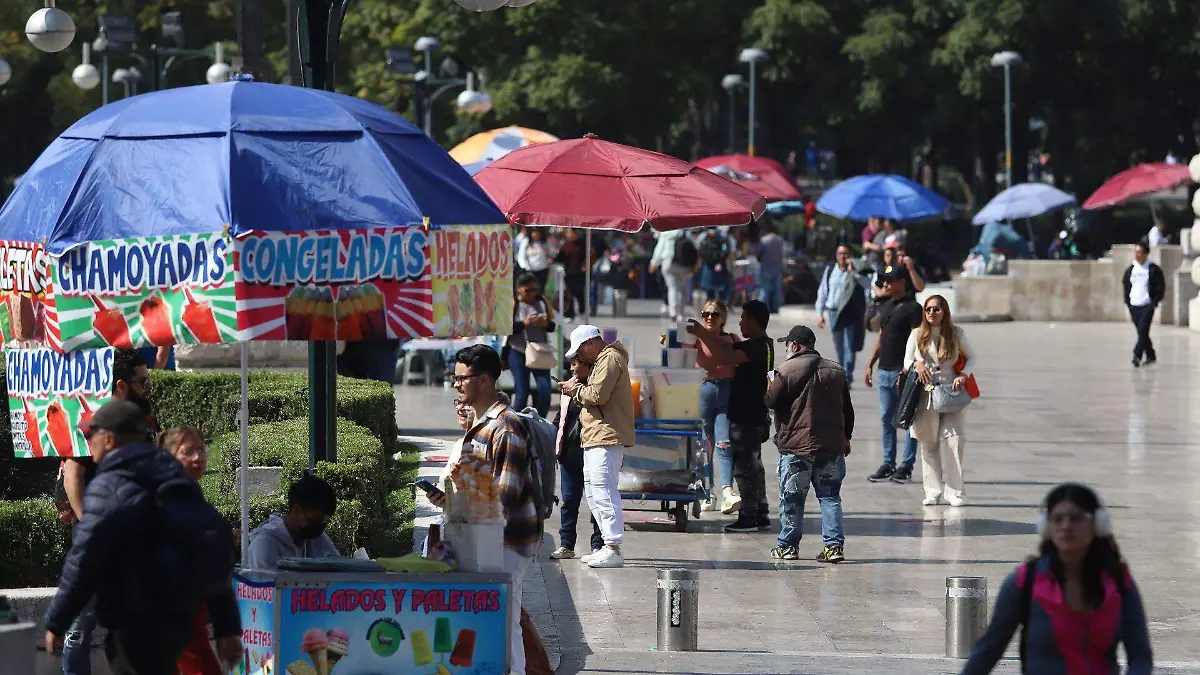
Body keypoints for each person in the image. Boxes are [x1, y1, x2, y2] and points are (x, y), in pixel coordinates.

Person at [45, 401, 241, 675]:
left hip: (133, 623)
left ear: (109, 440)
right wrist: (226, 625)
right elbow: (212, 546)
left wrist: (56, 620)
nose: (88, 442)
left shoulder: (109, 485)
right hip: (178, 622)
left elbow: (85, 557)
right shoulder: (176, 478)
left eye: (91, 435)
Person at [960, 484, 1153, 675]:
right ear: (1047, 527)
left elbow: (1140, 656)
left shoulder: (1118, 582)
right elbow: (989, 650)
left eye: (1076, 518)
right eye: (1058, 519)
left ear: (1097, 524)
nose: (1066, 526)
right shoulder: (1025, 582)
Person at [56, 348, 158, 675]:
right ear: (121, 386)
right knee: (79, 626)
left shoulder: (144, 423)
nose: (148, 389)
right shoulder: (95, 425)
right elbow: (73, 476)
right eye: (143, 383)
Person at [453, 343, 538, 674]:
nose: (457, 384)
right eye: (455, 377)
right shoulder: (480, 422)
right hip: (485, 537)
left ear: (484, 379)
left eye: (463, 378)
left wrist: (468, 511)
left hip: (507, 541)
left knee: (505, 617)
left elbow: (505, 497)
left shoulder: (506, 428)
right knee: (496, 617)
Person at [765, 325, 852, 563]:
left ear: (794, 345)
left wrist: (769, 384)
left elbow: (770, 401)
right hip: (831, 446)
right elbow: (847, 409)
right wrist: (846, 438)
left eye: (787, 345)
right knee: (830, 496)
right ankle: (833, 547)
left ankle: (787, 547)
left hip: (796, 448)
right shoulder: (836, 371)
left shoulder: (784, 371)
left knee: (792, 498)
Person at [160, 427, 243, 675]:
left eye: (201, 449)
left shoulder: (191, 499)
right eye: (188, 452)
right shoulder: (162, 499)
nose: (198, 457)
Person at [687, 300, 774, 533]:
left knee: (744, 467)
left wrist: (702, 334)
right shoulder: (761, 345)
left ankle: (748, 515)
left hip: (747, 415)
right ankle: (761, 511)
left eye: (744, 319)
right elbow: (725, 349)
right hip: (755, 414)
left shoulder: (756, 347)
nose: (740, 323)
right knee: (754, 465)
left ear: (754, 321)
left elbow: (724, 356)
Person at [560, 325, 634, 568]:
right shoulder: (602, 360)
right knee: (593, 491)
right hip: (594, 435)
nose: (579, 357)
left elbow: (597, 395)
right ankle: (606, 544)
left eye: (580, 351)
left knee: (604, 490)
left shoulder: (610, 359)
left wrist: (575, 389)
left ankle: (613, 546)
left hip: (606, 435)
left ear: (591, 343)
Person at [905, 294, 975, 506]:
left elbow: (972, 357)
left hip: (951, 392)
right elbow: (907, 360)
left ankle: (954, 492)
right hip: (926, 395)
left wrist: (964, 375)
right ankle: (932, 491)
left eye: (936, 309)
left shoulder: (956, 333)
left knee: (955, 441)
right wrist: (917, 364)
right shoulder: (917, 334)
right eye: (928, 309)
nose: (931, 313)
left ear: (944, 311)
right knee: (929, 443)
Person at [864, 267, 922, 483]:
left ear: (902, 282)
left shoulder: (913, 308)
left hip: (903, 371)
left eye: (890, 280)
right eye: (884, 281)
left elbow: (919, 340)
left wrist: (909, 369)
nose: (886, 284)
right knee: (886, 419)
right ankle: (888, 463)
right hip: (884, 370)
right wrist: (871, 363)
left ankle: (906, 465)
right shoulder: (887, 306)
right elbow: (881, 336)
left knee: (908, 418)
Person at [548, 357, 605, 560]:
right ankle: (566, 544)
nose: (572, 369)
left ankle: (599, 545)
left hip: (593, 452)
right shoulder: (568, 389)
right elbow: (560, 419)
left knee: (598, 501)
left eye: (576, 364)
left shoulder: (597, 391)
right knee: (569, 501)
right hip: (569, 454)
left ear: (589, 366)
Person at [686, 300, 739, 514]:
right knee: (704, 445)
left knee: (724, 443)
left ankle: (728, 491)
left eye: (715, 314)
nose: (709, 317)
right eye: (705, 313)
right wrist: (669, 340)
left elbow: (728, 354)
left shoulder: (731, 339)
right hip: (704, 391)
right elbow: (679, 354)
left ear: (723, 318)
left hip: (726, 393)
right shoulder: (695, 339)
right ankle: (708, 492)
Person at [245, 474, 341, 571]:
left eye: (322, 521)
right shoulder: (265, 545)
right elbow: (264, 580)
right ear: (297, 510)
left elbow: (339, 568)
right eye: (314, 520)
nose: (318, 526)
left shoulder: (318, 539)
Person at [815, 244, 869, 384]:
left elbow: (868, 285)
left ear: (850, 256)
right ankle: (841, 372)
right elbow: (823, 291)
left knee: (850, 345)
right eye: (840, 253)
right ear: (836, 255)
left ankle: (848, 375)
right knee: (839, 345)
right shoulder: (830, 270)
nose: (843, 257)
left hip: (850, 311)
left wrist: (854, 273)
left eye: (846, 254)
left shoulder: (856, 271)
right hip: (833, 311)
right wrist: (820, 313)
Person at [505, 273, 556, 416]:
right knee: (522, 393)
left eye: (535, 290)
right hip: (518, 351)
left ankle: (538, 421)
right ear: (519, 289)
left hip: (539, 351)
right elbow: (507, 328)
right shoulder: (513, 304)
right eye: (528, 290)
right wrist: (524, 323)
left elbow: (552, 325)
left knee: (545, 390)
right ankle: (516, 422)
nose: (533, 294)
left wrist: (545, 323)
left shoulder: (542, 302)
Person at [1123, 240, 1165, 367]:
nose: (1137, 255)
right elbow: (1126, 285)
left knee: (1143, 329)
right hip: (1134, 305)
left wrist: (1154, 302)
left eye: (1140, 252)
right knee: (1142, 333)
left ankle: (1136, 355)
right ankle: (1151, 355)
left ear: (1146, 254)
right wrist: (1128, 302)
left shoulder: (1153, 269)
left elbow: (1160, 286)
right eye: (1136, 252)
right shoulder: (1131, 269)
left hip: (1147, 304)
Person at [649, 229, 699, 322]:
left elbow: (660, 248)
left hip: (668, 262)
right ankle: (681, 313)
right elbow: (696, 248)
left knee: (672, 288)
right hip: (684, 264)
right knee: (682, 289)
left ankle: (673, 312)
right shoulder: (686, 232)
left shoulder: (665, 232)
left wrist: (654, 263)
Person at [554, 228, 589, 320]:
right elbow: (560, 257)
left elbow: (590, 255)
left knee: (579, 293)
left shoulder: (583, 244)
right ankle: (570, 314)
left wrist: (585, 265)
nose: (569, 234)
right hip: (569, 272)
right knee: (569, 294)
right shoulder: (565, 245)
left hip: (580, 273)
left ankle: (582, 311)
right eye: (567, 233)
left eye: (570, 232)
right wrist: (553, 259)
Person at [756, 221, 786, 313]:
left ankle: (763, 308)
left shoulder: (764, 240)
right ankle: (776, 308)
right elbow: (782, 254)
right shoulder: (780, 240)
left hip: (766, 268)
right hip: (777, 268)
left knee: (764, 290)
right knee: (777, 290)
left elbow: (759, 254)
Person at [698, 228, 734, 303]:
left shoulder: (722, 238)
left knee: (721, 291)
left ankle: (721, 307)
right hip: (709, 267)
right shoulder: (704, 238)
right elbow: (701, 251)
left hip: (718, 268)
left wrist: (720, 262)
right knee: (710, 291)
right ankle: (712, 307)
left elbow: (725, 250)